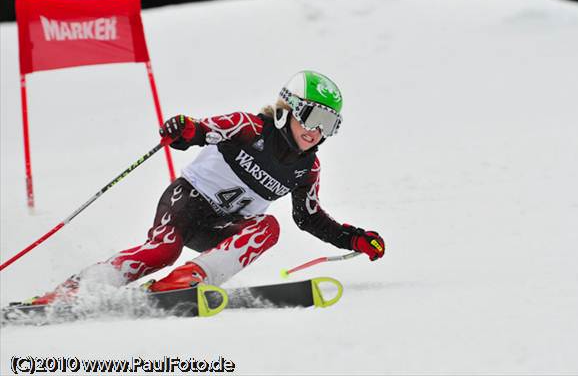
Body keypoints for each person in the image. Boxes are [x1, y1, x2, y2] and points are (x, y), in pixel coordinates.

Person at [30, 70, 385, 305]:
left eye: (329, 123)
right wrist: (184, 130)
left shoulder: (308, 168)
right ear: (286, 110)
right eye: (312, 117)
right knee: (162, 251)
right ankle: (73, 290)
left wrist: (353, 238)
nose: (317, 131)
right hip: (187, 202)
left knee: (268, 228)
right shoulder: (249, 128)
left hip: (219, 227)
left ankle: (191, 278)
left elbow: (309, 218)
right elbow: (202, 129)